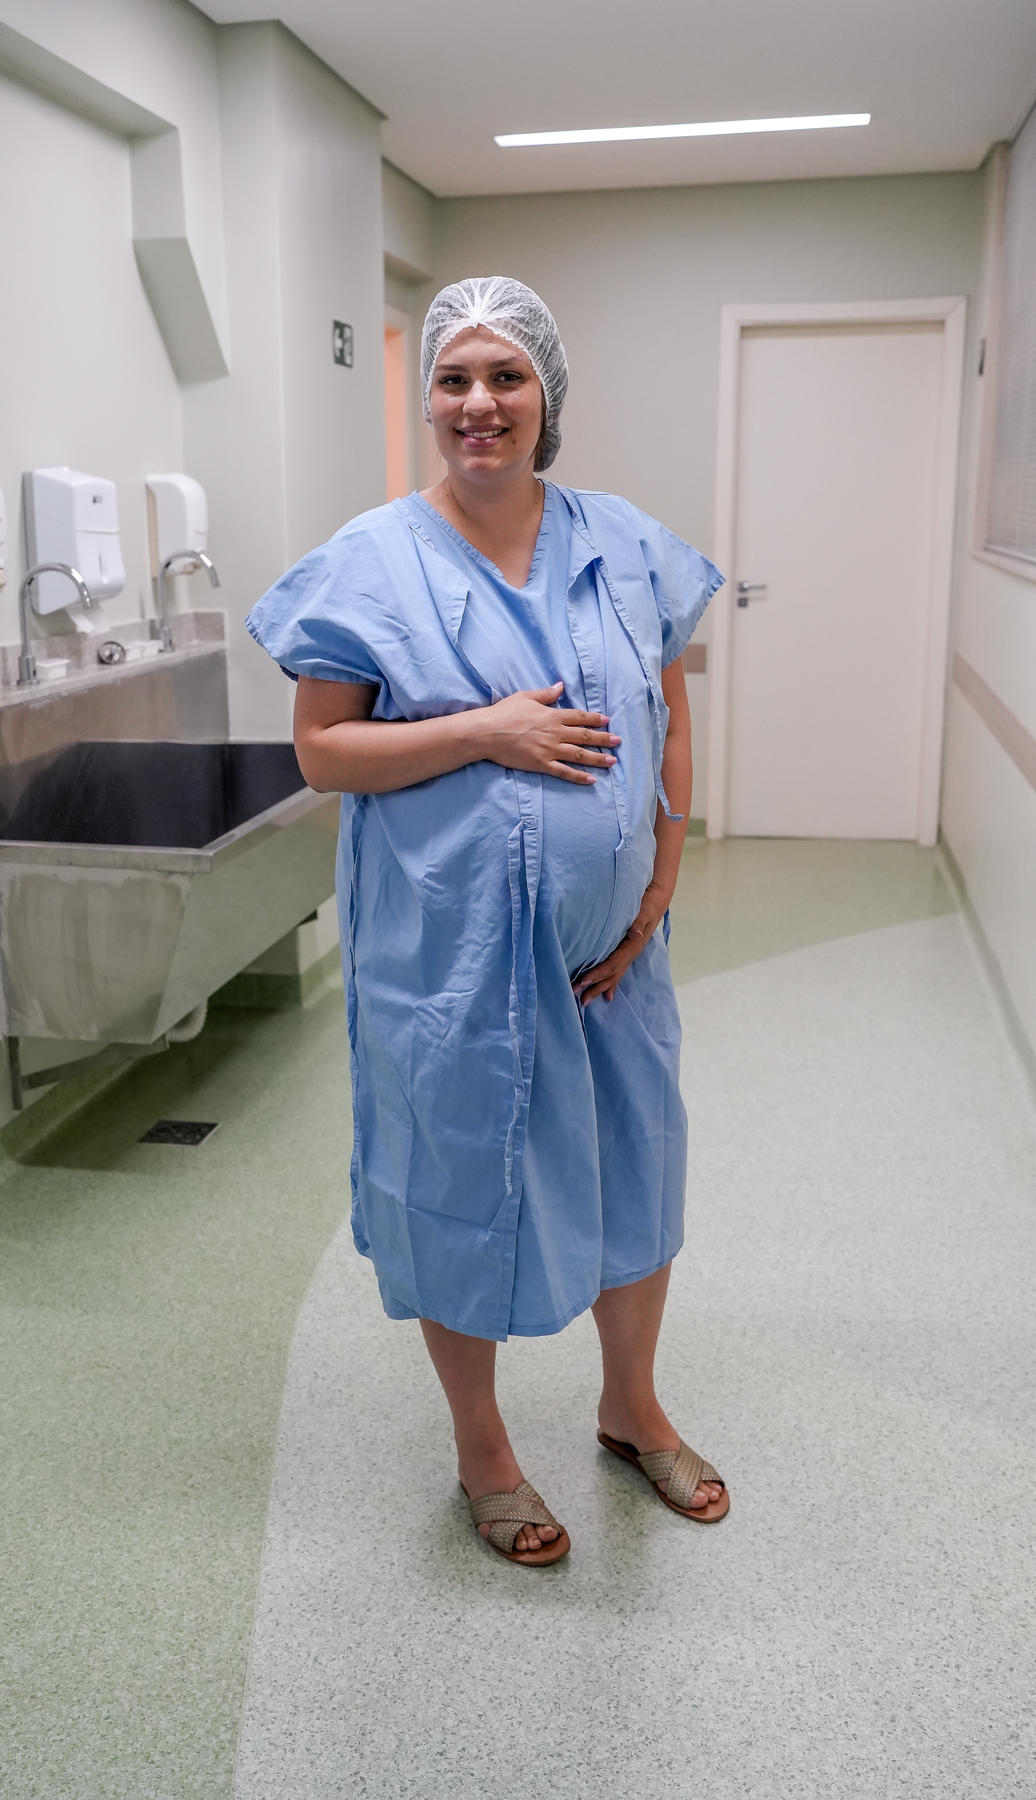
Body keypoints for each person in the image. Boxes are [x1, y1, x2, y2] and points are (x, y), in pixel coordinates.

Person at [246, 277, 728, 1566]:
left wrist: (660, 881)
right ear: (427, 401)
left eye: (506, 376)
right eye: (453, 379)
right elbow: (324, 752)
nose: (479, 403)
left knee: (638, 1172)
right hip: (448, 958)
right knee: (456, 1181)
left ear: (545, 394)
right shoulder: (372, 559)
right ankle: (484, 1450)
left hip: (617, 963)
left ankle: (630, 1409)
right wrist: (487, 732)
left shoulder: (622, 542)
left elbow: (670, 714)